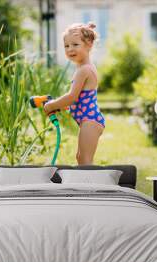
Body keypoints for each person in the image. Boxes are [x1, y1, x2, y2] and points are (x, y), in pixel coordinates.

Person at [43, 22, 105, 165]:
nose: (70, 49)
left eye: (75, 45)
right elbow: (81, 98)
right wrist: (64, 105)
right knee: (80, 158)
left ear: (88, 44)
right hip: (88, 120)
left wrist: (51, 105)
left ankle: (91, 186)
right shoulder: (83, 68)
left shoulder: (84, 70)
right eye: (67, 46)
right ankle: (87, 185)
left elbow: (72, 97)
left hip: (90, 121)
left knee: (85, 160)